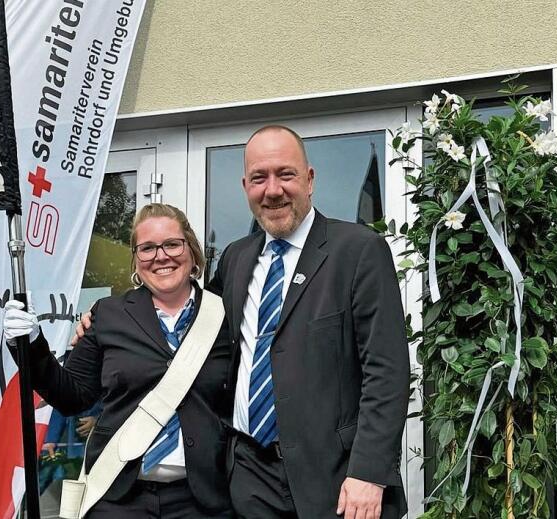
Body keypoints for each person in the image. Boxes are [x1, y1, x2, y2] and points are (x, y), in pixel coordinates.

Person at [74, 125, 410, 519]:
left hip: (337, 480)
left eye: (285, 174)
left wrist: (369, 473)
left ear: (310, 179)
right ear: (245, 186)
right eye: (259, 178)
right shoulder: (236, 259)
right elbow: (186, 320)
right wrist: (103, 321)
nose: (273, 190)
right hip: (249, 479)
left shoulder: (358, 251)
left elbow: (386, 371)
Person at [3, 203, 233, 518]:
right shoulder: (109, 314)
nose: (161, 256)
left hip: (204, 502)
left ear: (191, 251)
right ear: (136, 262)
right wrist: (31, 344)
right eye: (147, 248)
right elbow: (71, 397)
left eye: (172, 244)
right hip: (119, 499)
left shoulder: (226, 317)